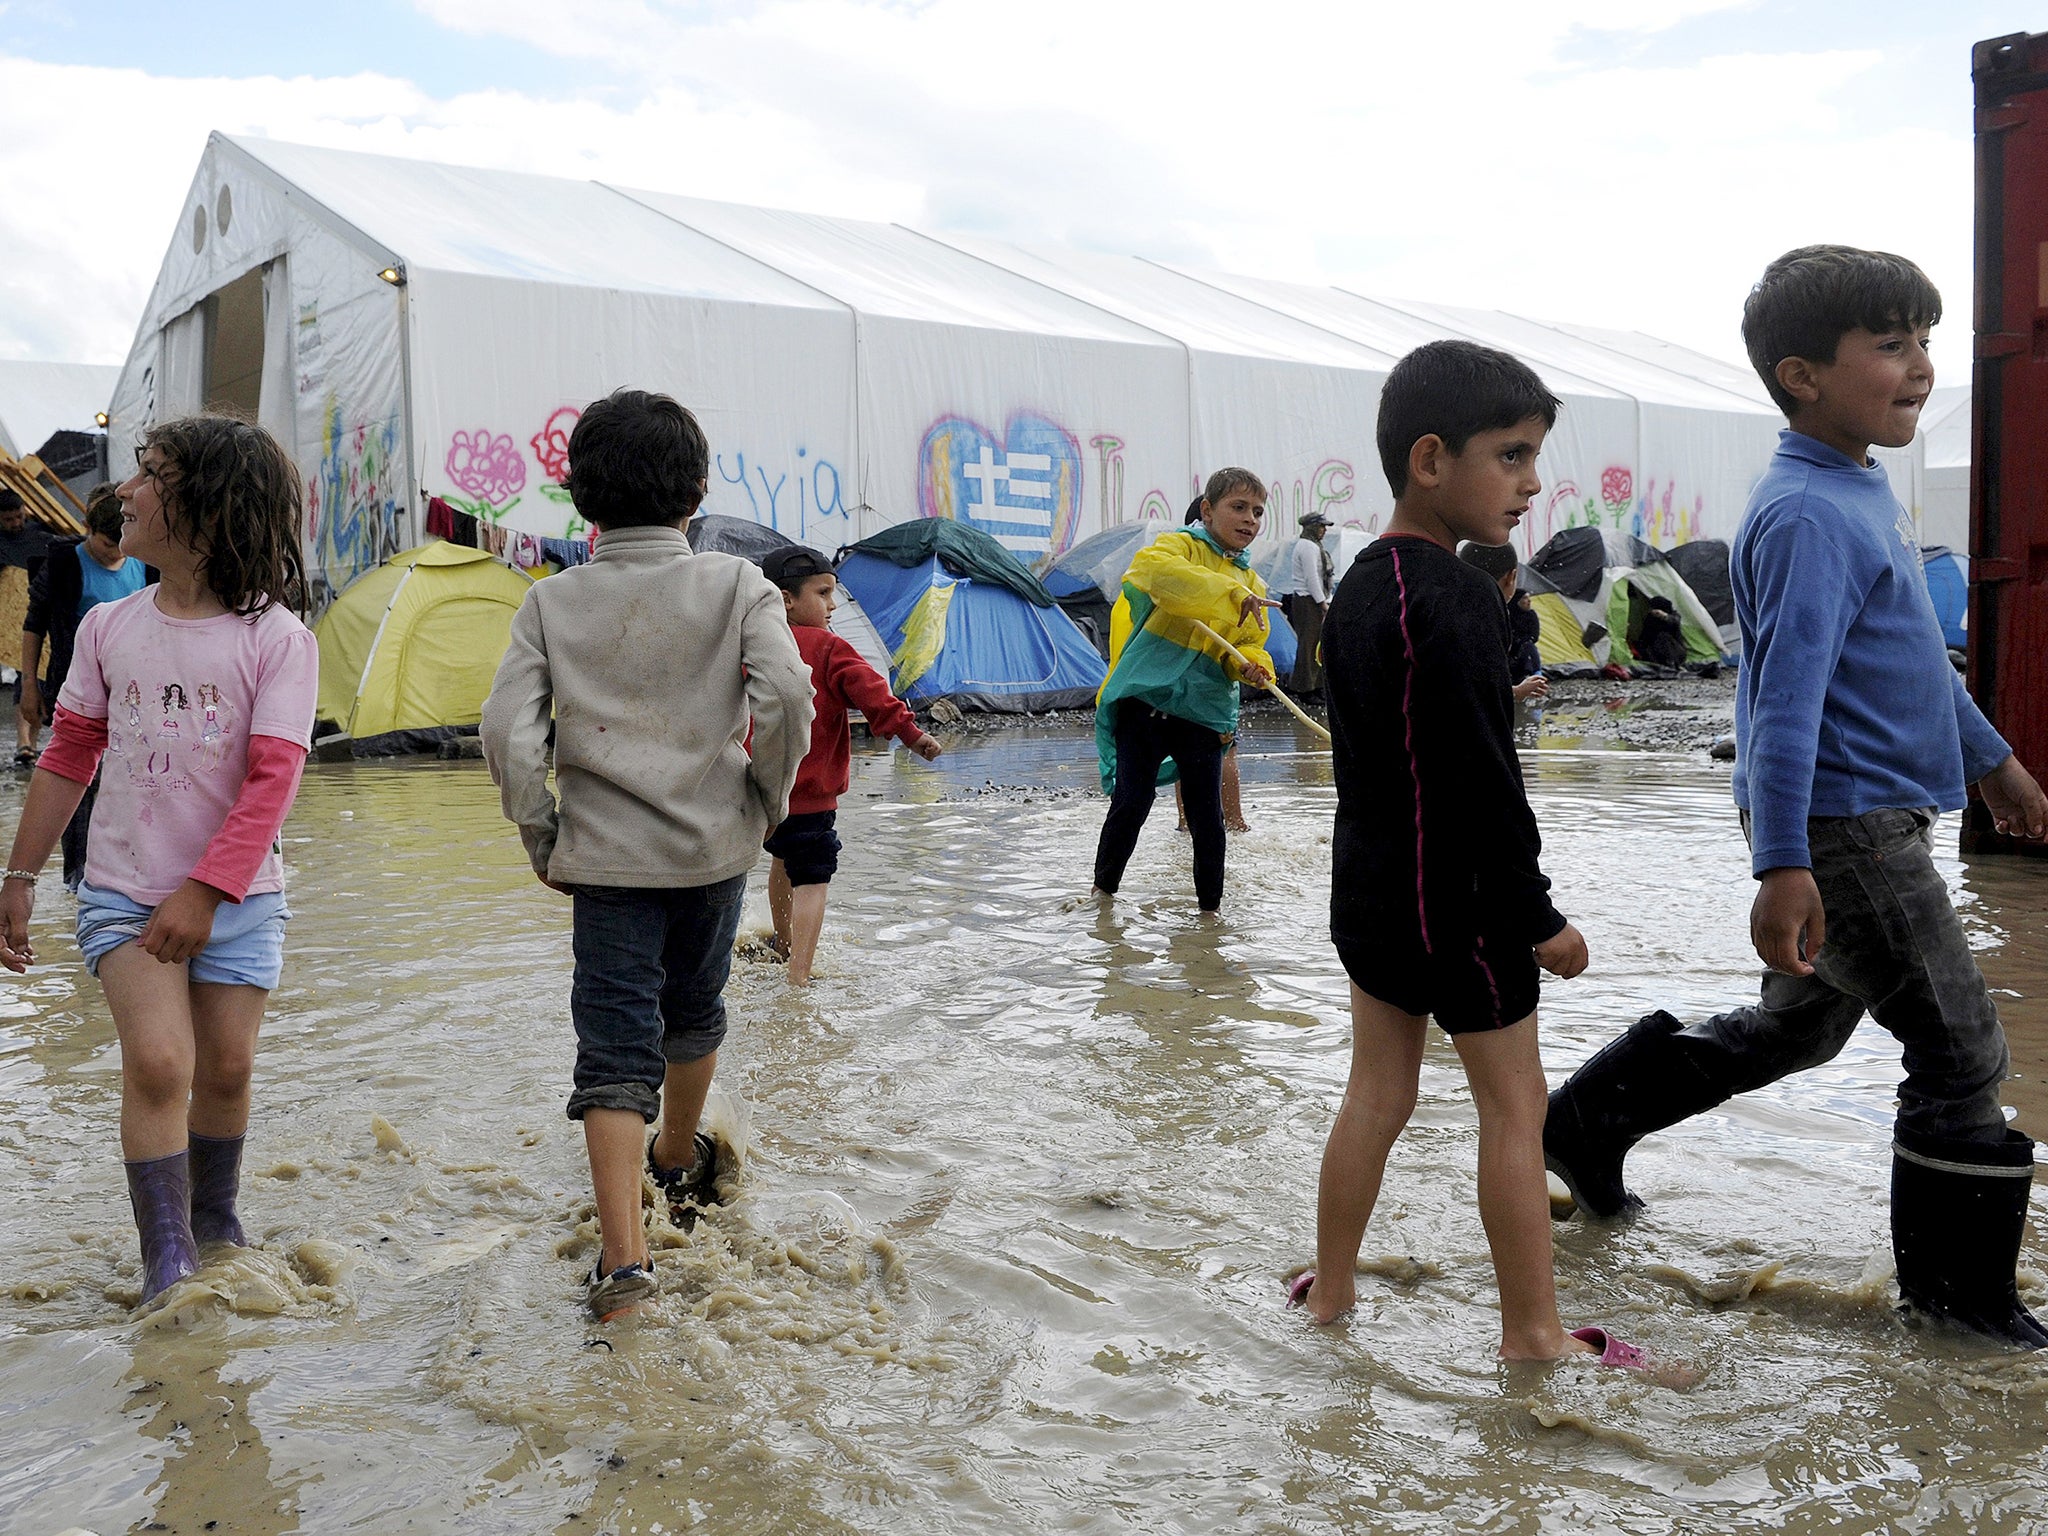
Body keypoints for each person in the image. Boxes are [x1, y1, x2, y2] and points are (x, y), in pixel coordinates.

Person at [1544, 246, 2048, 1348]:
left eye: (1923, 340)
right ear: (1801, 374)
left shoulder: (1857, 486)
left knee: (1797, 1034)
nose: (1918, 367)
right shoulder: (1806, 513)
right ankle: (1955, 1313)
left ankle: (1583, 1121)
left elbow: (1913, 662)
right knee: (1959, 1049)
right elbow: (1780, 704)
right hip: (1840, 825)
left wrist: (1994, 760)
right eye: (1888, 344)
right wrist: (1780, 861)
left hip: (1857, 817)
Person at [1294, 339, 1644, 1369]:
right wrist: (1537, 919)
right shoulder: (1453, 600)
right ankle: (1532, 1334)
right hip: (1463, 904)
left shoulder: (1358, 588)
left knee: (1376, 1093)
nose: (1530, 483)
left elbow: (1376, 755)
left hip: (1368, 895)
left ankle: (1331, 1293)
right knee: (1514, 1106)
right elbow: (1481, 780)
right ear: (1429, 459)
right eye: (1511, 455)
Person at [481, 389, 814, 1321]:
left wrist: (541, 831)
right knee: (695, 1007)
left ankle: (624, 1264)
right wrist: (768, 794)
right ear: (697, 490)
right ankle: (679, 1158)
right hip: (713, 849)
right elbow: (787, 694)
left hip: (605, 864)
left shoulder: (551, 600)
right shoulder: (738, 585)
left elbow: (508, 732)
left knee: (611, 1045)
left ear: (580, 495)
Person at [0, 417, 318, 1307]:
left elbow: (272, 781)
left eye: (148, 476)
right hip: (121, 894)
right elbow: (69, 755)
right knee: (160, 1065)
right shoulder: (107, 628)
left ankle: (215, 1220)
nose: (125, 492)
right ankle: (166, 1259)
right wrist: (19, 877)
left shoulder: (277, 639)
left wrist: (207, 893)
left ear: (209, 511)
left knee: (226, 1069)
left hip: (241, 898)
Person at [1091, 471, 1276, 913]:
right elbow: (1157, 575)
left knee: (1207, 817)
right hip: (1148, 701)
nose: (1250, 519)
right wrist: (1230, 593)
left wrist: (1253, 668)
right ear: (1207, 510)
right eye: (1239, 507)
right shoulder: (1176, 548)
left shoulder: (1256, 586)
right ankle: (1100, 896)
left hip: (1204, 710)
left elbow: (1249, 644)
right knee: (1131, 801)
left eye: (1257, 512)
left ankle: (1210, 918)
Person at [759, 545, 941, 987]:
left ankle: (781, 946)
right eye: (823, 593)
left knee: (780, 863)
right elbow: (872, 692)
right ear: (786, 599)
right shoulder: (827, 646)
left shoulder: (754, 645)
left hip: (760, 795)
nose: (832, 605)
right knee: (813, 880)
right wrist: (912, 735)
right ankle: (799, 977)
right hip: (812, 797)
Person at [20, 484, 152, 889]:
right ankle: (75, 878)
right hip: (75, 689)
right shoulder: (63, 562)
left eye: (121, 544)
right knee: (77, 782)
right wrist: (30, 686)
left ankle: (125, 871)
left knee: (131, 782)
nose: (116, 551)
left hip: (132, 698)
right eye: (107, 543)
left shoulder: (145, 564)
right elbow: (34, 624)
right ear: (87, 529)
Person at [0, 489, 55, 767]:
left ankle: (30, 744)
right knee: (26, 680)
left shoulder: (42, 535)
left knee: (39, 681)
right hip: (13, 627)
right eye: (8, 519)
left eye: (18, 516)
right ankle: (24, 743)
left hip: (43, 620)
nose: (15, 523)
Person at [1458, 540, 1548, 702]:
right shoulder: (1487, 622)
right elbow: (1480, 690)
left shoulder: (1446, 610)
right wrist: (1516, 692)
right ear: (1511, 577)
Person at [1287, 511, 1335, 699]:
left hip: (1315, 599)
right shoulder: (1307, 546)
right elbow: (1311, 577)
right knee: (1308, 645)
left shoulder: (1315, 546)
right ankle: (1304, 688)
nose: (1323, 530)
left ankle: (1316, 684)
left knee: (1316, 644)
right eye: (1321, 526)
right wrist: (1322, 603)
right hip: (1307, 600)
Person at [1635, 594, 1687, 669]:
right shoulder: (1650, 619)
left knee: (1663, 637)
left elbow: (1675, 621)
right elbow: (1645, 636)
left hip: (1675, 651)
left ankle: (1671, 663)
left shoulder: (1673, 615)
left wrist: (1664, 616)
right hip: (1655, 651)